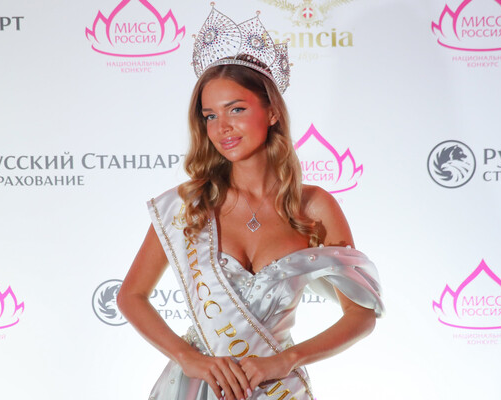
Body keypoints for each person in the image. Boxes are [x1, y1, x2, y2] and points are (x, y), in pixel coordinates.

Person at [117, 5, 384, 400]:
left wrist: (286, 359)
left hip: (278, 387)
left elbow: (361, 314)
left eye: (236, 109)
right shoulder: (187, 205)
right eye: (210, 116)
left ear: (272, 112)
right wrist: (188, 358)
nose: (222, 127)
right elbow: (131, 296)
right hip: (197, 387)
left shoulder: (313, 207)